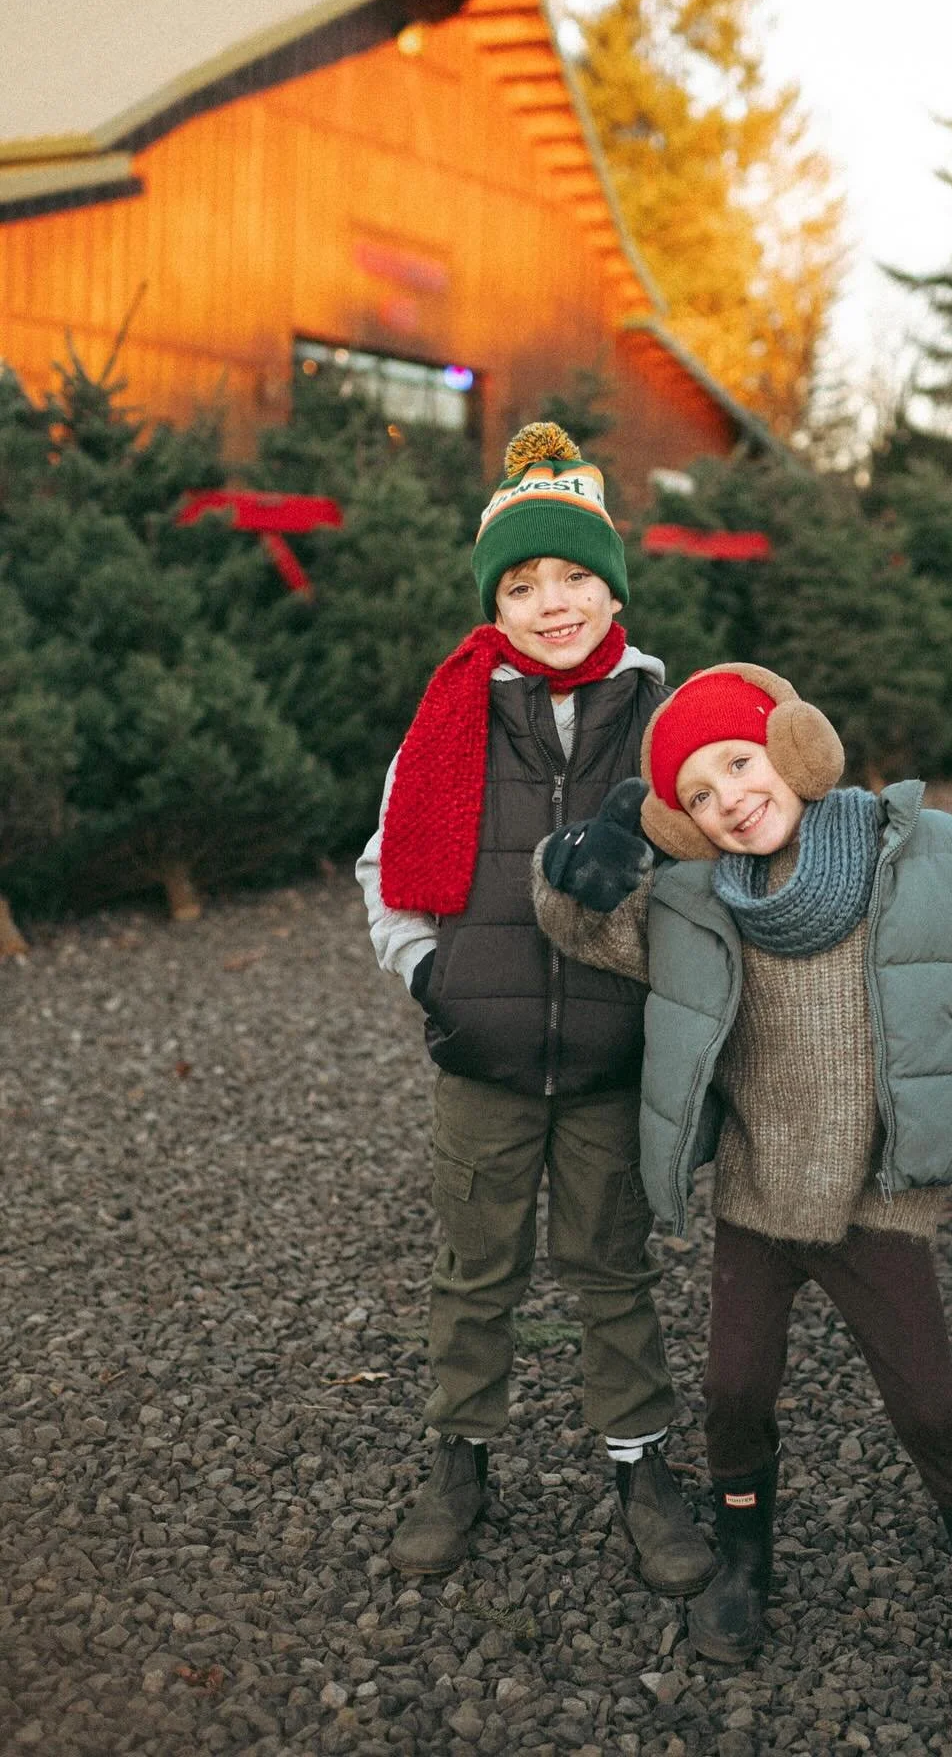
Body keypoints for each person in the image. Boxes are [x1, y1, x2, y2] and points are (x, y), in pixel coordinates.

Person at [531, 663, 952, 1709]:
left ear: (796, 749)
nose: (731, 800)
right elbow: (580, 924)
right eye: (700, 797)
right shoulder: (692, 904)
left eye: (740, 764)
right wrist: (575, 861)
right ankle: (746, 1562)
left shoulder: (916, 862)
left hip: (875, 1197)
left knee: (933, 1407)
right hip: (760, 1199)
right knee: (734, 1391)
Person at [355, 423, 712, 1597]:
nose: (552, 603)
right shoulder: (455, 716)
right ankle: (460, 1461)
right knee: (474, 1270)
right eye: (522, 584)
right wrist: (429, 975)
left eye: (572, 576)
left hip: (613, 1059)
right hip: (485, 1059)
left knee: (612, 1271)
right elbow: (383, 864)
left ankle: (640, 1468)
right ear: (494, 604)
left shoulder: (665, 719)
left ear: (610, 584)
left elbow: (714, 873)